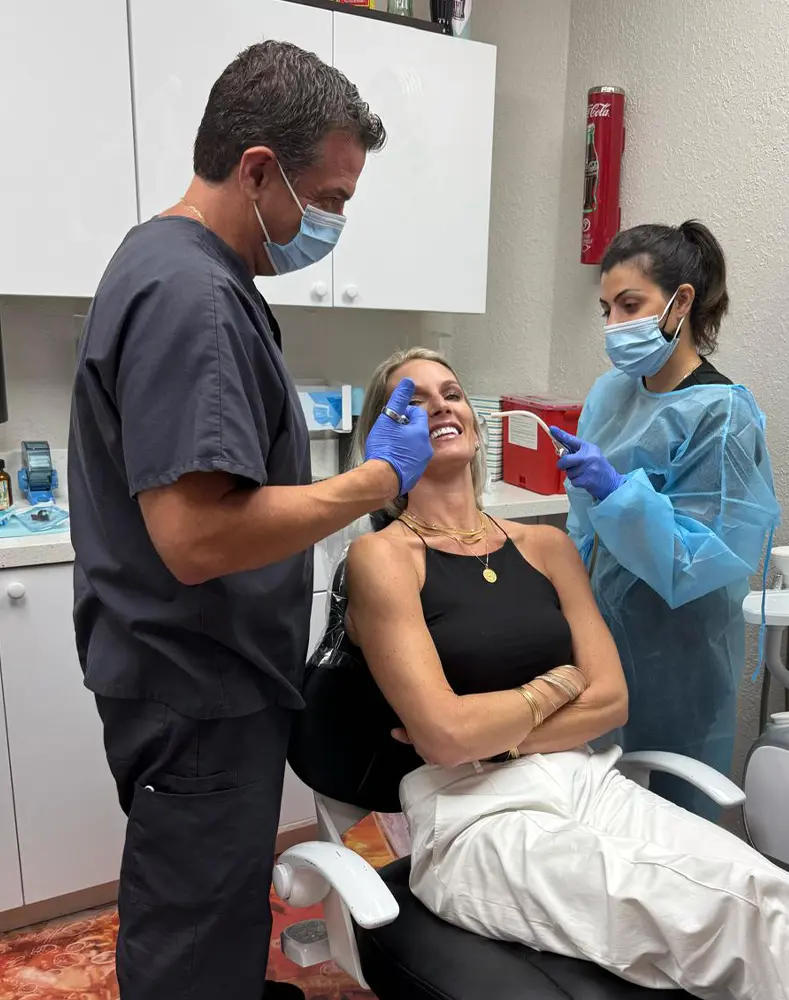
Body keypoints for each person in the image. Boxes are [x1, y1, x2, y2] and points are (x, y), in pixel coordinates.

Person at [325, 346, 789, 999]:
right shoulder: (383, 557)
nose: (440, 405)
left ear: (475, 424)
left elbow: (612, 698)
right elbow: (446, 739)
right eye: (412, 400)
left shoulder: (546, 545)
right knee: (733, 915)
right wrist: (561, 686)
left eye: (450, 392)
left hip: (587, 780)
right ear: (383, 434)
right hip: (474, 812)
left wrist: (497, 724)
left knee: (786, 898)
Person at [68, 42, 433, 1000]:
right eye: (334, 197)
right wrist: (371, 482)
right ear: (260, 169)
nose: (335, 221)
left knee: (216, 903)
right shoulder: (191, 294)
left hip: (201, 680)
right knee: (190, 927)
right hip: (197, 685)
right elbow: (199, 540)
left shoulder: (186, 271)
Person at [549, 221, 782, 819]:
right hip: (599, 640)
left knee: (677, 824)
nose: (613, 326)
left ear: (680, 302)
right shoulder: (611, 393)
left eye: (631, 305)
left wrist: (616, 490)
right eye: (606, 309)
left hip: (677, 655)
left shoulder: (723, 415)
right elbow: (585, 531)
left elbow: (694, 563)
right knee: (603, 811)